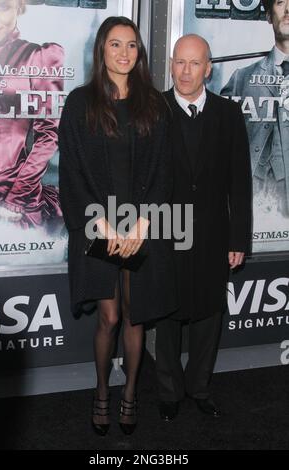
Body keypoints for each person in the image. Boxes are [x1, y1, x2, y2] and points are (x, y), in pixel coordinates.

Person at [58, 16, 178, 436]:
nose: (124, 53)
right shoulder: (79, 103)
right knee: (108, 317)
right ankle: (102, 392)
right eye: (115, 45)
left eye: (131, 45)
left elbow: (166, 167)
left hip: (143, 224)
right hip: (99, 224)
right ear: (101, 50)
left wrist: (144, 222)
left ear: (139, 52)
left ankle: (130, 393)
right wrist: (103, 224)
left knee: (135, 315)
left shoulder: (154, 104)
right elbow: (70, 172)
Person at [155, 34, 252, 421]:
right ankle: (168, 392)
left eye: (194, 63)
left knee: (209, 315)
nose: (185, 71)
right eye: (179, 62)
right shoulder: (155, 108)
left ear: (208, 69)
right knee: (167, 316)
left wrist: (238, 238)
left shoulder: (228, 114)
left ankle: (199, 387)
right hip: (164, 231)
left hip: (213, 234)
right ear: (171, 65)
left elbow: (239, 183)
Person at [0, 0, 63, 229]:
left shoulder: (37, 56)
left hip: (10, 198)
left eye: (2, 6)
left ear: (19, 8)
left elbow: (49, 135)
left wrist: (15, 199)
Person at [221, 0, 289, 218]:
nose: (288, 10)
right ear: (269, 16)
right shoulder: (242, 77)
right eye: (281, 3)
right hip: (253, 203)